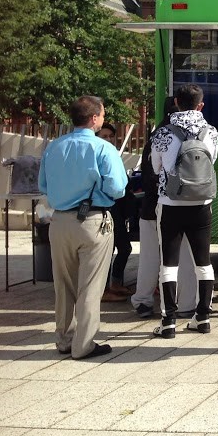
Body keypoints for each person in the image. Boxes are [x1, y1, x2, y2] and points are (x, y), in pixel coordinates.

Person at [39, 95, 128, 359]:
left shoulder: (54, 147)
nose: (103, 118)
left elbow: (43, 186)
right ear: (94, 118)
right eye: (102, 114)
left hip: (59, 220)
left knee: (63, 284)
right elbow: (118, 189)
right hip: (92, 221)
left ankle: (64, 340)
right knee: (90, 286)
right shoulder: (103, 149)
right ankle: (84, 344)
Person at [150, 84, 218, 338]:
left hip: (170, 204)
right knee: (204, 261)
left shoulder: (163, 133)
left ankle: (168, 322)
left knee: (169, 263)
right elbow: (209, 162)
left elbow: (157, 169)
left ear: (176, 102)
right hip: (202, 204)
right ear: (201, 105)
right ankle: (203, 317)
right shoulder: (210, 132)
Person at [130, 99, 198, 320]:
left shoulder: (156, 137)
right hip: (185, 204)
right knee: (185, 257)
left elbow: (151, 175)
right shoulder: (192, 135)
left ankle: (143, 301)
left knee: (150, 258)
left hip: (153, 207)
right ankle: (186, 303)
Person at [97, 122, 134, 302]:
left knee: (125, 247)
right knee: (107, 249)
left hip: (116, 207)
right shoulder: (97, 156)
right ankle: (103, 289)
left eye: (111, 136)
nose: (109, 139)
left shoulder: (112, 155)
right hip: (105, 206)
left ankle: (116, 283)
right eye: (104, 136)